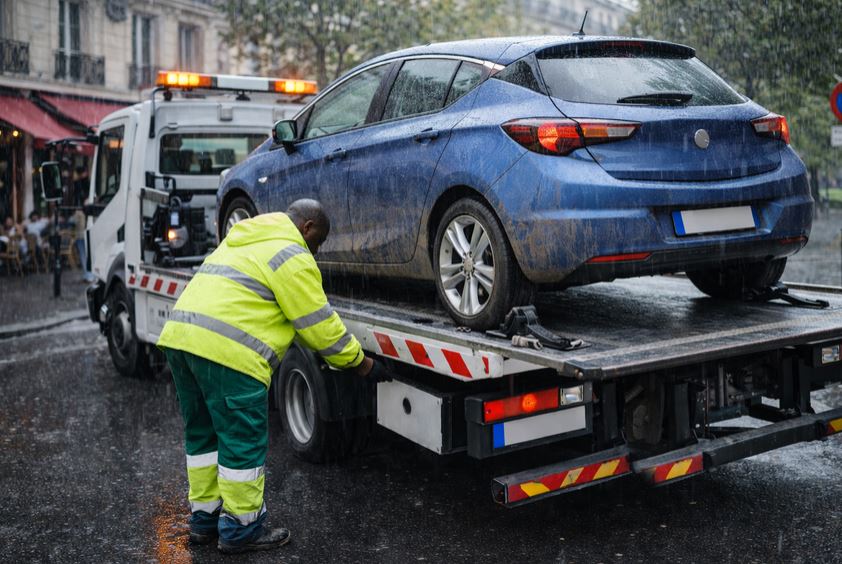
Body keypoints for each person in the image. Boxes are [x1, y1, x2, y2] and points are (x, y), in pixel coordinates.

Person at [157, 199, 385, 554]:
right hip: (228, 352)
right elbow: (318, 326)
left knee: (203, 437)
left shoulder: (244, 238)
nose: (317, 252)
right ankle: (241, 529)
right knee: (241, 440)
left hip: (181, 339)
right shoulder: (291, 254)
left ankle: (204, 520)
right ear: (307, 227)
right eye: (318, 242)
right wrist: (361, 364)